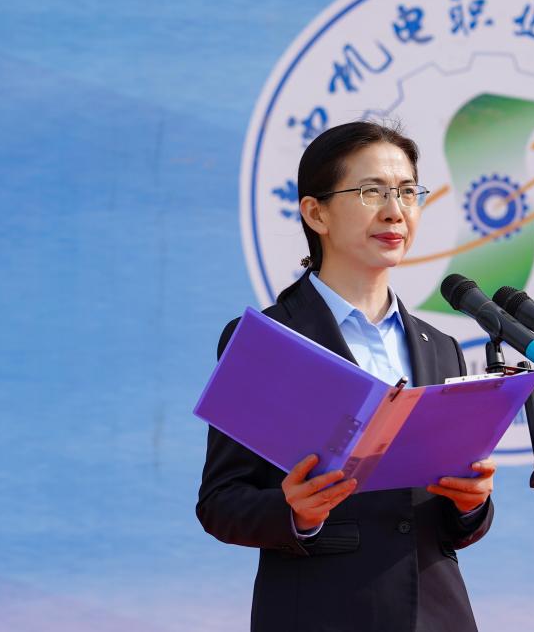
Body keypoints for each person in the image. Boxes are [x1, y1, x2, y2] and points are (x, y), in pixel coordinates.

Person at [196, 121, 496, 631]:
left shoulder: (442, 347)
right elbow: (221, 502)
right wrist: (295, 513)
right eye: (371, 192)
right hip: (322, 611)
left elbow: (445, 519)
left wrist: (472, 505)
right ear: (316, 213)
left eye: (407, 192)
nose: (395, 211)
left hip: (437, 612)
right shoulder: (269, 341)